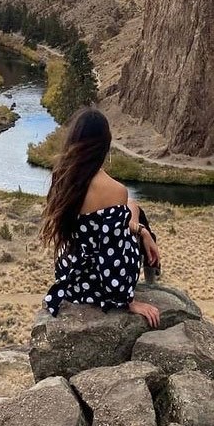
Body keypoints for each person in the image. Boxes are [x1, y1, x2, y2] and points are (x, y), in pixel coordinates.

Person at [41, 107, 161, 326]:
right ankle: (153, 274)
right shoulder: (113, 190)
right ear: (106, 144)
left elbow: (123, 212)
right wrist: (127, 301)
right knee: (135, 212)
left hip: (73, 277)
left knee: (134, 208)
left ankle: (146, 240)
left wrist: (140, 230)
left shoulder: (63, 178)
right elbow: (112, 255)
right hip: (100, 285)